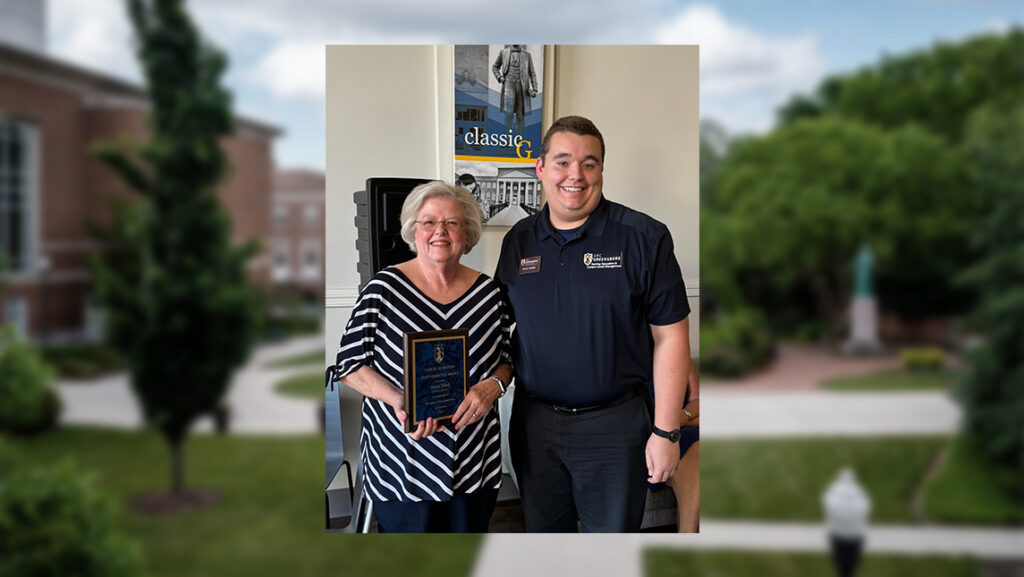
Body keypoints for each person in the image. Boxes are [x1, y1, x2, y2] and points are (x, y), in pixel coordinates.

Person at [495, 115, 692, 532]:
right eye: (563, 162)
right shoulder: (519, 241)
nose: (576, 176)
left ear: (601, 170)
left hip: (614, 429)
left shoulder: (643, 237)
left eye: (590, 163)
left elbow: (671, 337)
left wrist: (667, 432)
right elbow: (498, 326)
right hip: (535, 427)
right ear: (541, 169)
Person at [336, 181, 513, 533]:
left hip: (473, 458)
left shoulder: (488, 293)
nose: (440, 232)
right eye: (428, 222)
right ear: (413, 231)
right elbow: (349, 365)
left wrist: (493, 386)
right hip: (403, 460)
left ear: (468, 233)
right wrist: (400, 399)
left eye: (452, 222)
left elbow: (507, 358)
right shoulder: (384, 289)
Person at [492, 45, 538, 133]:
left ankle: (520, 140)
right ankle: (506, 139)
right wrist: (500, 78)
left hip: (522, 88)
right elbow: (495, 67)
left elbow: (532, 73)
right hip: (509, 86)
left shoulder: (527, 55)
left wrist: (535, 89)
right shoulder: (503, 52)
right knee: (508, 115)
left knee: (520, 116)